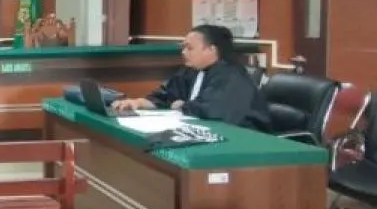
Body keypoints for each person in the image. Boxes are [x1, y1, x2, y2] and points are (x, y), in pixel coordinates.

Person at [111, 24, 271, 130]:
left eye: (189, 48)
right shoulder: (191, 71)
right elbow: (165, 96)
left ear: (211, 50)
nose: (183, 52)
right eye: (183, 47)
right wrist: (137, 103)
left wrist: (182, 106)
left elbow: (213, 112)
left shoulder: (232, 76)